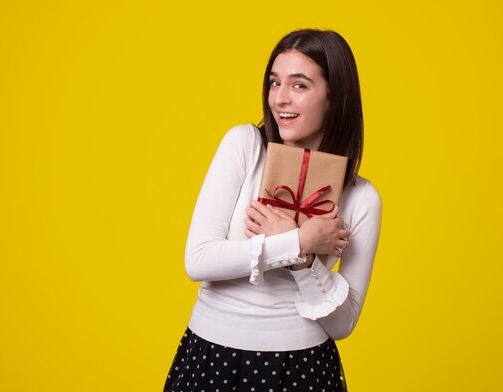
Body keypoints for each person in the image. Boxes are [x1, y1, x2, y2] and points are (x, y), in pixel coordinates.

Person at [163, 29, 382, 392]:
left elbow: (343, 324)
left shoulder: (362, 197)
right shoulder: (244, 145)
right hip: (210, 356)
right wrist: (298, 241)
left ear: (334, 97)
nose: (280, 98)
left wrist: (304, 263)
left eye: (299, 85)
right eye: (274, 82)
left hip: (303, 366)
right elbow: (198, 260)